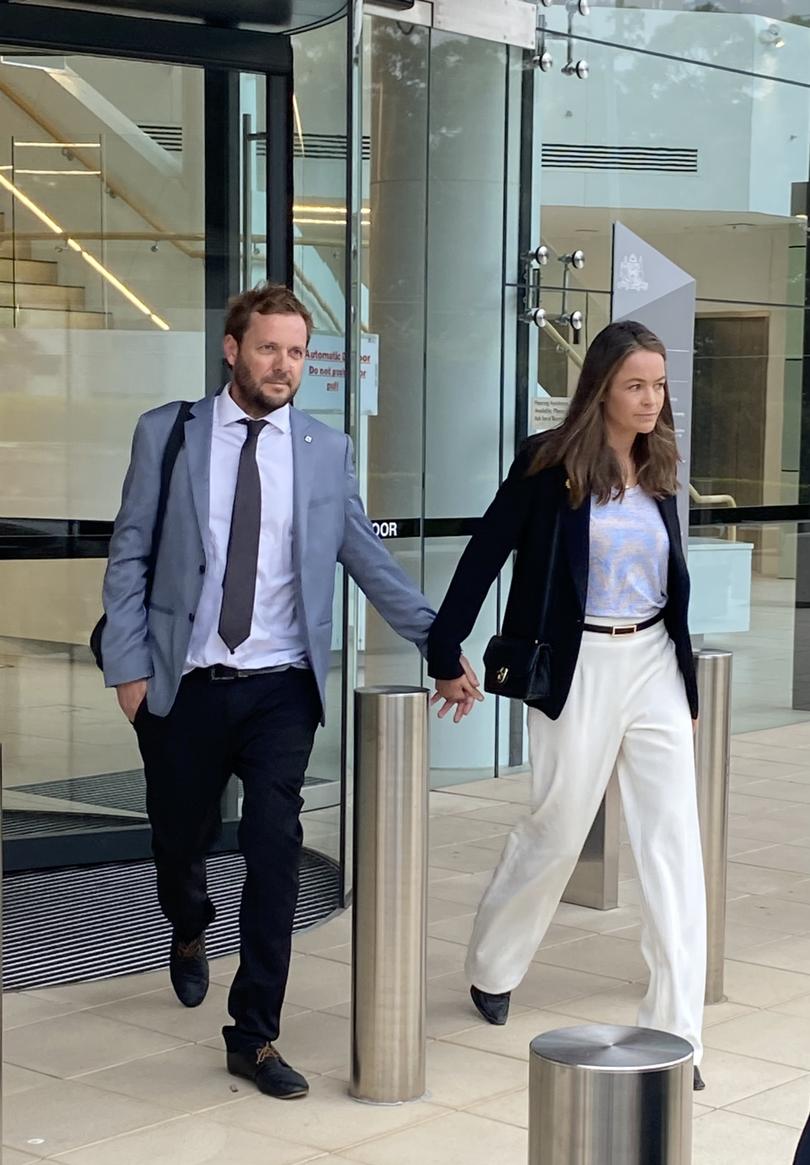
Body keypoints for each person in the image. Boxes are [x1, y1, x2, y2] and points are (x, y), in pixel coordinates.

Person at [100, 283, 474, 1100]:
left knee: (274, 847)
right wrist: (129, 671)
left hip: (280, 689)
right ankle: (188, 924)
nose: (284, 365)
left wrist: (439, 644)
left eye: (298, 352)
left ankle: (255, 1035)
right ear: (233, 349)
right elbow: (129, 554)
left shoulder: (323, 448)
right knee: (180, 841)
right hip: (185, 684)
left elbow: (367, 561)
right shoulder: (168, 433)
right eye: (269, 348)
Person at [428, 319, 708, 1090]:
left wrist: (682, 679)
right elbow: (486, 552)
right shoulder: (550, 463)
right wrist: (443, 649)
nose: (651, 399)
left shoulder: (661, 464)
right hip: (579, 663)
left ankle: (680, 1032)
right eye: (635, 385)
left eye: (658, 385)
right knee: (556, 825)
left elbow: (670, 585)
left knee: (672, 844)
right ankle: (493, 962)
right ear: (602, 388)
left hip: (651, 659)